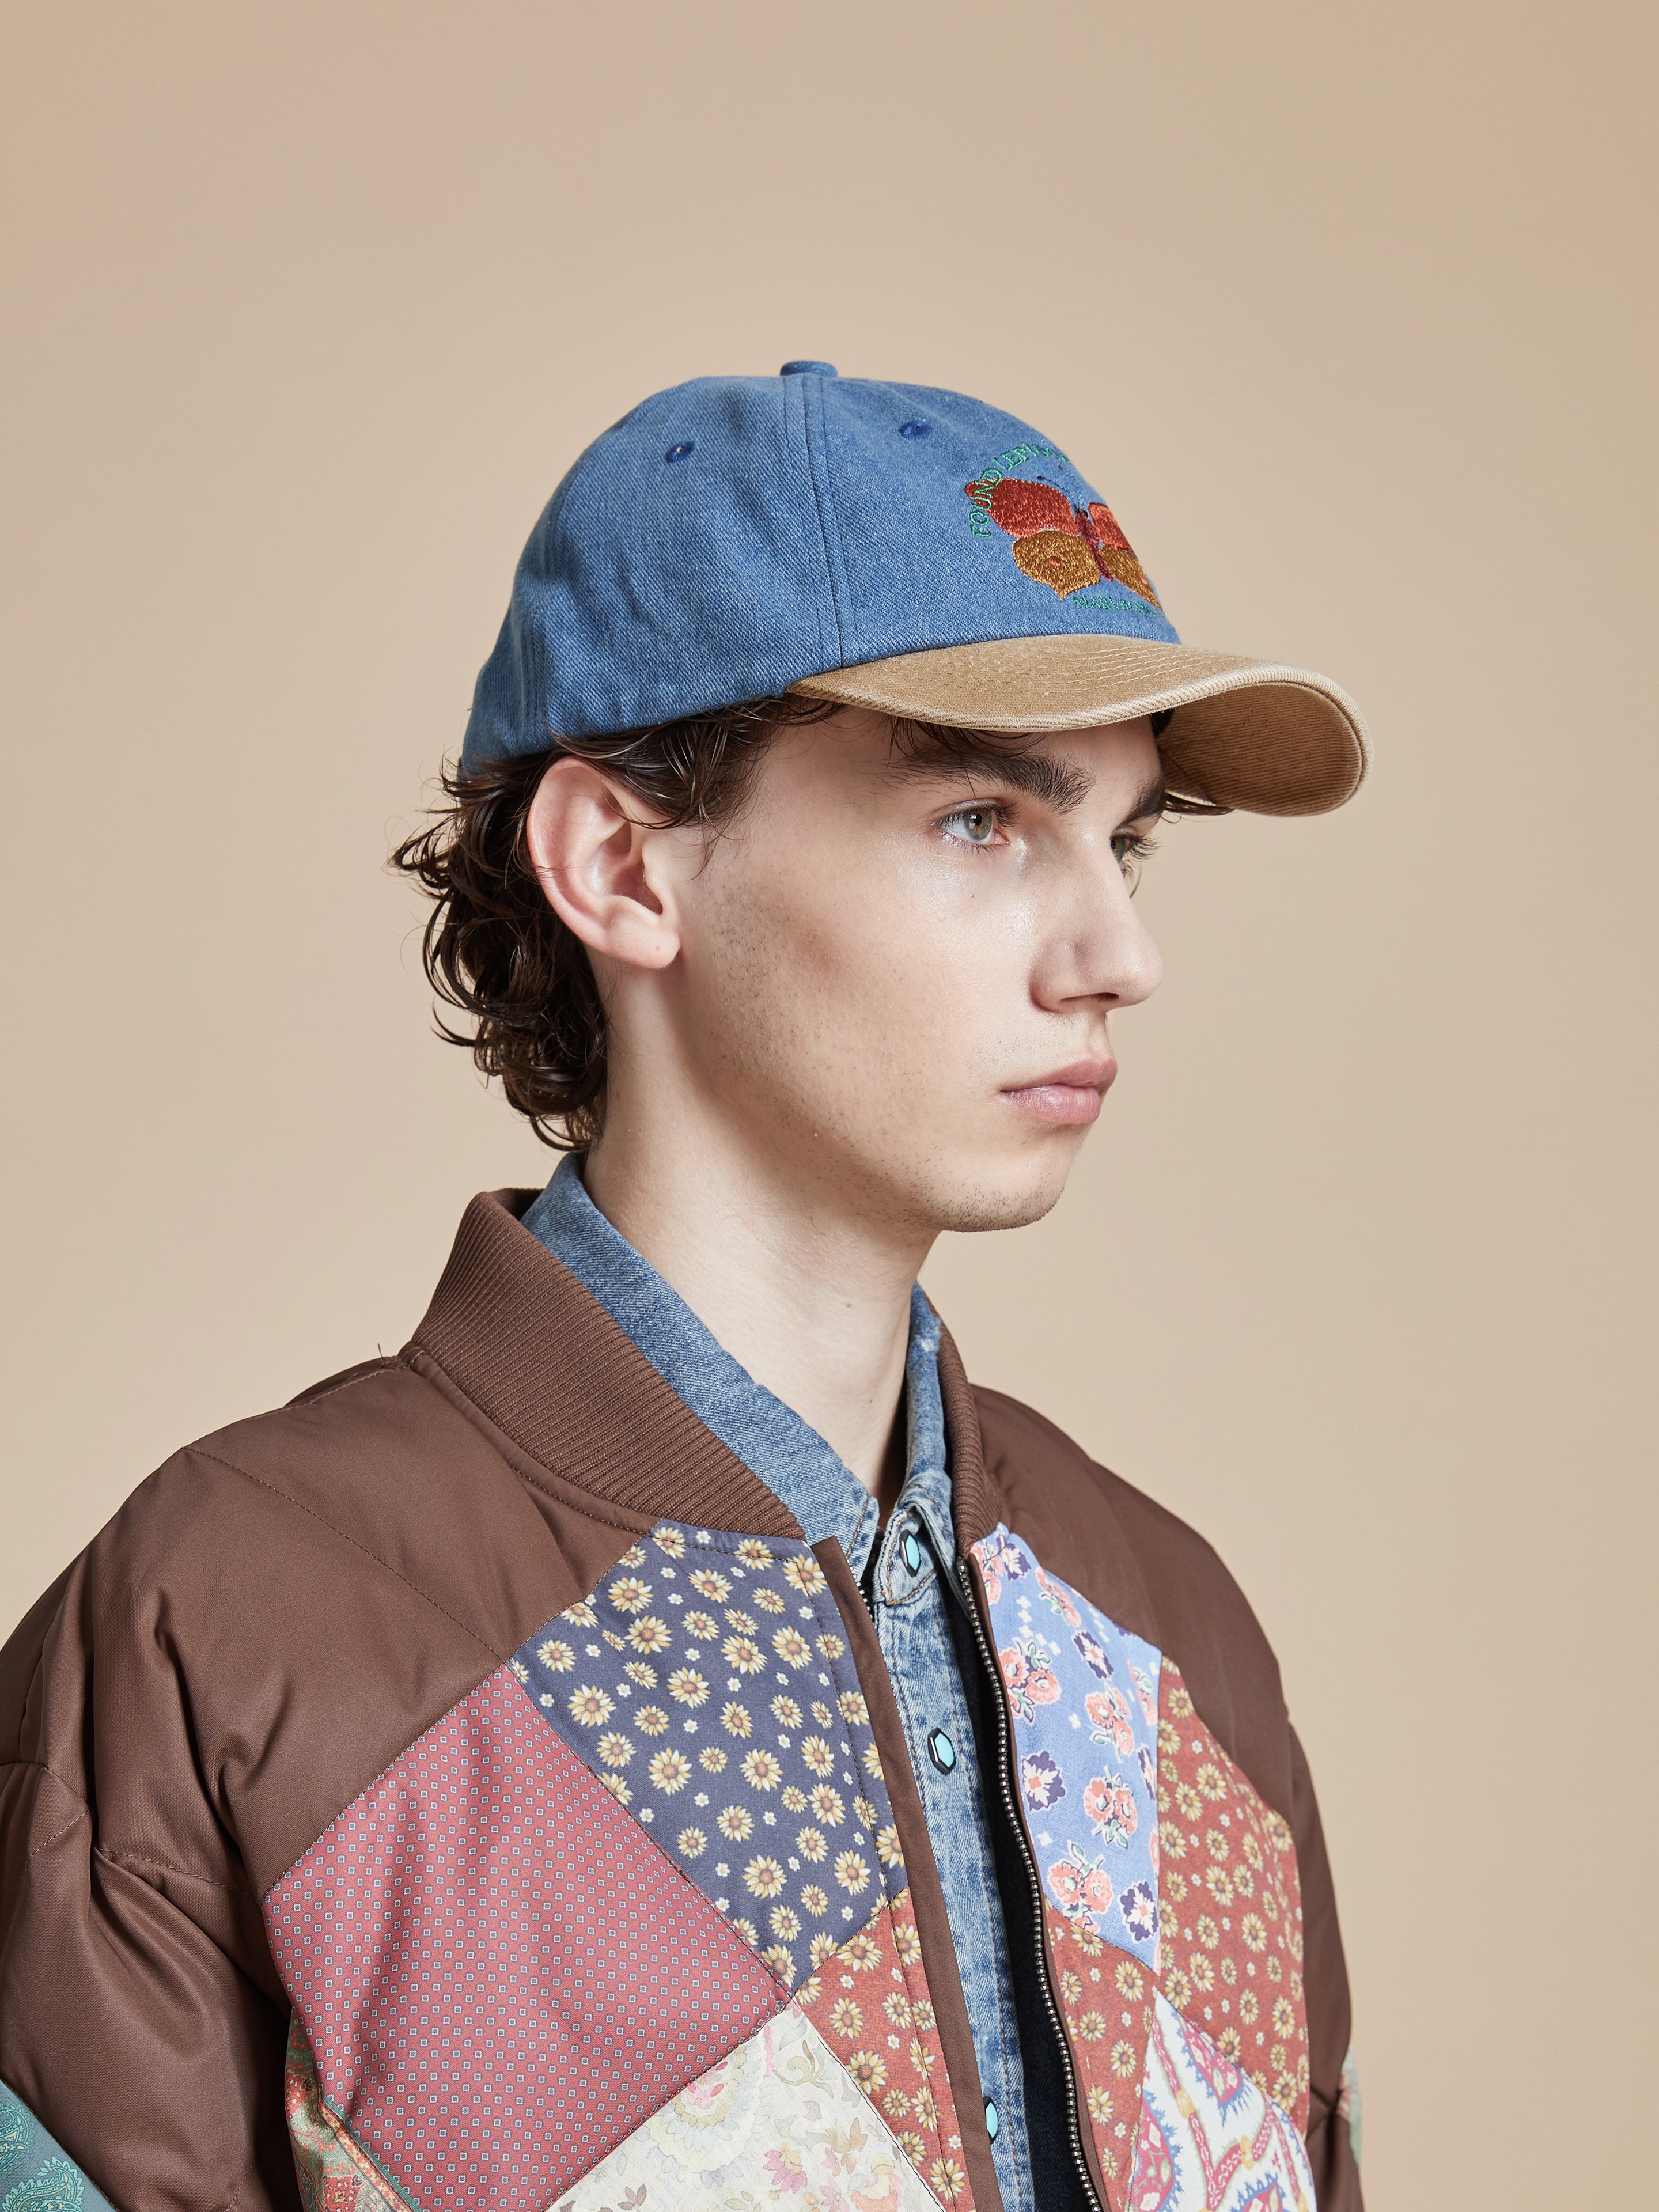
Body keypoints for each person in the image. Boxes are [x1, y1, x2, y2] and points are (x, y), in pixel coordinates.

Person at [0, 363, 1368, 2212]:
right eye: (986, 821)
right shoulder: (224, 1630)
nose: (1120, 955)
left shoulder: (1170, 1633)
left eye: (1120, 843)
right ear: (622, 862)